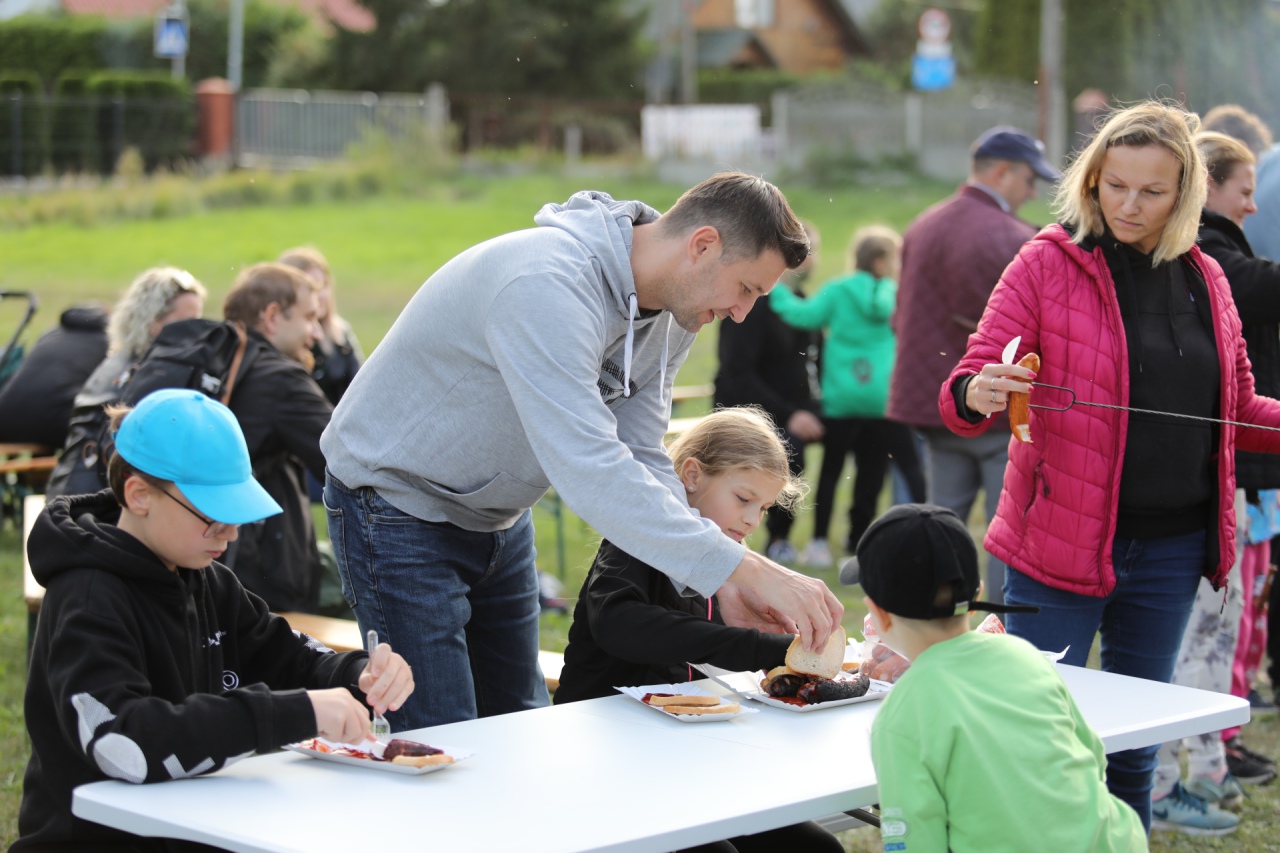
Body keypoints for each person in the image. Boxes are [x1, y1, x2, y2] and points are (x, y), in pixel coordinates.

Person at [322, 171, 843, 730]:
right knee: (441, 735)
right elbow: (587, 464)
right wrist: (745, 567)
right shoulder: (546, 281)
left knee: (523, 730)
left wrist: (721, 580)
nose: (742, 313)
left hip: (498, 517)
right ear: (703, 245)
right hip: (398, 507)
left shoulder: (675, 310)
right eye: (746, 289)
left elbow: (640, 450)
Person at [939, 100, 1280, 832]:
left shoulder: (1207, 279)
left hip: (1172, 549)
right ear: (1090, 183)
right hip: (1054, 544)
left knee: (1134, 749)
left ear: (1184, 193)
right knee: (1040, 740)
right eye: (1113, 185)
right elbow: (966, 384)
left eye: (1151, 191)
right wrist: (978, 389)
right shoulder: (1044, 261)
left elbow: (1241, 408)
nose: (1128, 204)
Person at [14, 388, 413, 852]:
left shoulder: (204, 578)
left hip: (190, 825)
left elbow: (285, 653)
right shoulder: (86, 598)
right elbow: (124, 743)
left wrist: (358, 674)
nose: (231, 532)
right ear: (139, 495)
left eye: (236, 513)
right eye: (212, 515)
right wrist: (292, 712)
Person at [555, 408, 842, 853]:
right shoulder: (635, 536)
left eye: (762, 509)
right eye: (743, 498)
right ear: (691, 475)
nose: (751, 520)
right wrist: (763, 649)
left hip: (684, 755)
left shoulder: (727, 562)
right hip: (608, 757)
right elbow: (620, 624)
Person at [848, 504, 1147, 853]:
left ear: (879, 616)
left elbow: (913, 837)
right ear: (976, 595)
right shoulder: (1026, 657)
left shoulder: (901, 714)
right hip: (1112, 841)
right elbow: (1091, 754)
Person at [1148, 131, 1279, 829]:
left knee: (1217, 635)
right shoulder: (1214, 261)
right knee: (1189, 642)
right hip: (1190, 493)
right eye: (1244, 189)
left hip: (1232, 479)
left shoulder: (1215, 263)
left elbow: (1246, 396)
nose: (1254, 205)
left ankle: (1204, 760)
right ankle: (1166, 778)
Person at [887, 125, 1061, 605]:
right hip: (998, 409)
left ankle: (924, 618)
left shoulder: (924, 222)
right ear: (1003, 172)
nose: (1032, 192)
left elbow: (902, 315)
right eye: (1029, 180)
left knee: (940, 524)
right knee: (1009, 529)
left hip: (933, 402)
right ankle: (998, 626)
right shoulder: (1015, 237)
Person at [769, 225, 925, 565]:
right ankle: (862, 542)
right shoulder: (895, 295)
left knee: (831, 471)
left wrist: (777, 290)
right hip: (883, 400)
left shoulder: (837, 290)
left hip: (841, 399)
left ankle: (820, 543)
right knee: (876, 472)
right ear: (883, 262)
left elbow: (801, 315)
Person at [221, 262, 334, 613]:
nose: (316, 334)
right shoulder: (280, 381)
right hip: (262, 574)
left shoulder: (216, 364)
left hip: (208, 559)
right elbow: (346, 458)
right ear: (272, 317)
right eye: (309, 318)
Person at [713, 222, 824, 564]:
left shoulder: (804, 305)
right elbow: (736, 371)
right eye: (804, 253)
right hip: (743, 415)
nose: (811, 262)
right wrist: (791, 415)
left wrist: (817, 410)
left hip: (793, 415)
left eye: (813, 253)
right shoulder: (751, 304)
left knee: (794, 467)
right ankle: (719, 544)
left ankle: (780, 540)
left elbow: (812, 365)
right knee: (734, 484)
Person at [45, 267, 206, 499]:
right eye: (188, 322)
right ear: (153, 322)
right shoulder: (151, 372)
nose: (199, 333)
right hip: (92, 503)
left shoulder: (120, 361)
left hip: (71, 493)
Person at [0, 304, 108, 449]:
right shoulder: (108, 340)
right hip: (56, 424)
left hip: (5, 419)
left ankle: (30, 472)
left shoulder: (50, 333)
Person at [277, 246, 364, 406]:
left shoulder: (341, 332)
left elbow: (362, 385)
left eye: (323, 285)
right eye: (312, 286)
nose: (321, 294)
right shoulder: (288, 342)